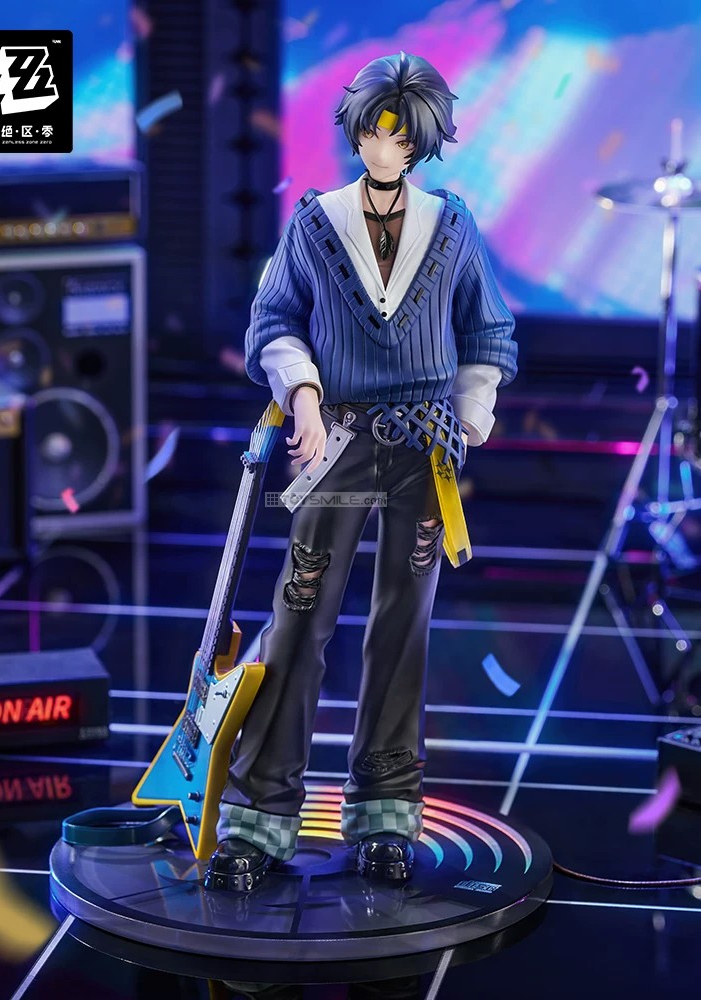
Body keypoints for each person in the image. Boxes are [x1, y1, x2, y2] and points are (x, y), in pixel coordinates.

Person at [204, 52, 518, 892]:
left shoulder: (451, 227)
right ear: (355, 131)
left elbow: (488, 329)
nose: (386, 148)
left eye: (402, 136)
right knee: (300, 615)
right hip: (336, 439)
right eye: (375, 132)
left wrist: (471, 411)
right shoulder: (315, 224)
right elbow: (273, 320)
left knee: (403, 625)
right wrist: (303, 395)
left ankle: (386, 812)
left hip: (424, 446)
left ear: (423, 142)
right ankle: (260, 814)